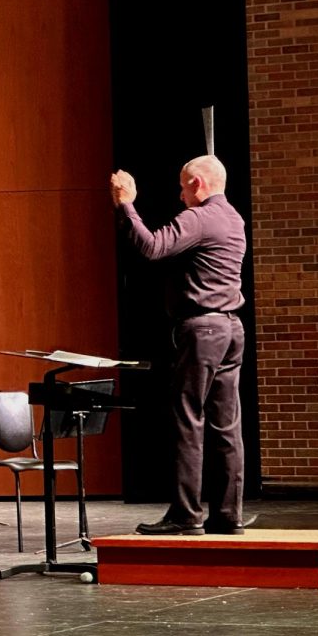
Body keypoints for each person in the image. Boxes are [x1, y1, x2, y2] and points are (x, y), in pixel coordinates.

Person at [111, 155, 249, 535]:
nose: (180, 193)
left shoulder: (199, 218)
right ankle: (228, 514)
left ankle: (186, 514)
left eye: (182, 185)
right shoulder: (233, 217)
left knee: (188, 419)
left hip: (202, 330)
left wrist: (126, 204)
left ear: (198, 184)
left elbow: (152, 247)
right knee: (227, 424)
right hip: (231, 328)